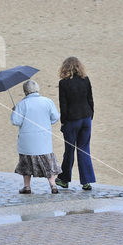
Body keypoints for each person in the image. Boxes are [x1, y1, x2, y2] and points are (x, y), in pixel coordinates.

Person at [10, 79, 62, 194]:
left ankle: (27, 187)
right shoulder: (47, 101)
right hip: (44, 139)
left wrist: (15, 111)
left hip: (27, 141)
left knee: (26, 163)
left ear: (25, 91)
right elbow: (55, 117)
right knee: (48, 162)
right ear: (37, 89)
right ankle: (53, 185)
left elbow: (15, 121)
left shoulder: (21, 104)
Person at [55, 56, 96, 191]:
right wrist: (90, 116)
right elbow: (90, 100)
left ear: (65, 68)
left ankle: (64, 180)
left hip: (72, 121)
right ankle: (86, 182)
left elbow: (64, 105)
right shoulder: (86, 80)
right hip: (86, 119)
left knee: (69, 151)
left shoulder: (63, 83)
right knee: (84, 149)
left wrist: (63, 123)